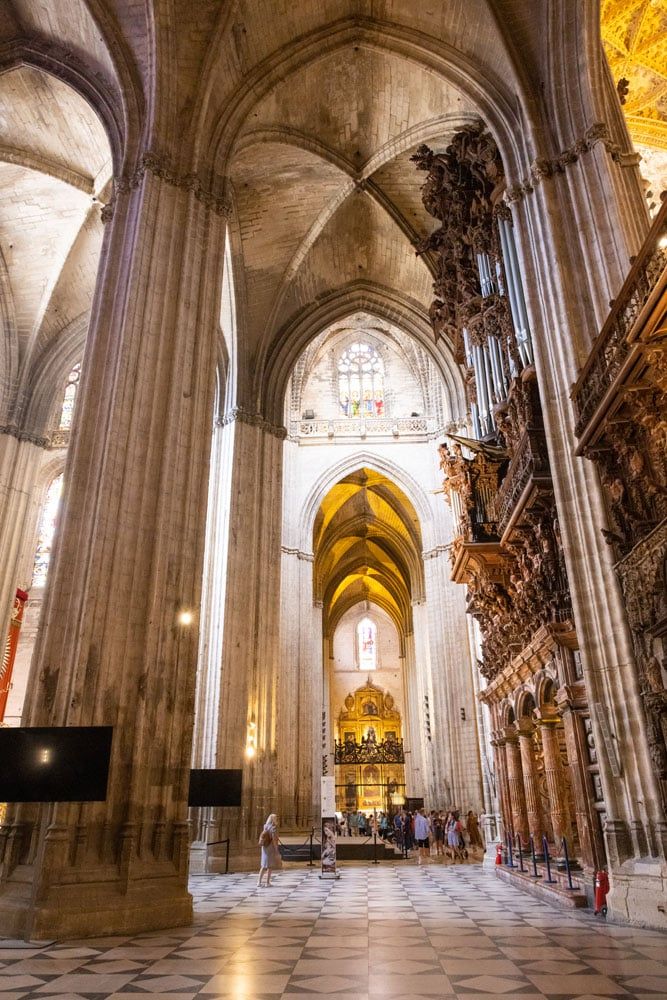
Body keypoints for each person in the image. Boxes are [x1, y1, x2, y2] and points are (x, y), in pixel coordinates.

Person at [257, 813, 280, 887]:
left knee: (263, 865)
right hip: (270, 847)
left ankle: (259, 882)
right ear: (273, 820)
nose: (277, 820)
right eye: (276, 818)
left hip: (264, 847)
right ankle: (267, 883)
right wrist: (276, 849)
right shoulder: (273, 828)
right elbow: (274, 840)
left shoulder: (265, 826)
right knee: (270, 866)